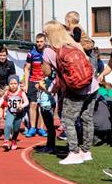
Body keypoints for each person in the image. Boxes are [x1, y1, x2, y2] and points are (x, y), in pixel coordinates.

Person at [42, 20, 99, 165]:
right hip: (92, 86)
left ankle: (73, 152)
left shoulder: (49, 50)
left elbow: (47, 72)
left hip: (75, 89)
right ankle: (86, 151)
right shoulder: (75, 44)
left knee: (68, 120)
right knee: (87, 118)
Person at [24, 33, 47, 138]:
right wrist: (26, 84)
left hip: (44, 83)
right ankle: (32, 127)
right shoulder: (31, 54)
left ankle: (41, 128)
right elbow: (27, 68)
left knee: (43, 106)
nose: (39, 44)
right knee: (33, 105)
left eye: (41, 41)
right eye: (37, 42)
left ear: (45, 42)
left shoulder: (48, 53)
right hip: (33, 82)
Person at [1, 75, 29, 151]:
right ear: (8, 84)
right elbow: (2, 99)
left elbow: (27, 102)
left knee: (16, 130)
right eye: (11, 84)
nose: (13, 85)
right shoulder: (7, 92)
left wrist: (22, 105)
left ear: (18, 84)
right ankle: (6, 141)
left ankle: (14, 140)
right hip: (10, 112)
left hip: (19, 113)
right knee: (8, 125)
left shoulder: (21, 93)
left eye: (15, 83)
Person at [34, 76, 57, 154]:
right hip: (43, 104)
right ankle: (49, 146)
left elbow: (52, 91)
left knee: (50, 127)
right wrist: (38, 87)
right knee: (49, 127)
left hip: (48, 105)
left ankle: (51, 147)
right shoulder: (46, 77)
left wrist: (42, 87)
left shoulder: (51, 79)